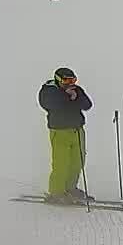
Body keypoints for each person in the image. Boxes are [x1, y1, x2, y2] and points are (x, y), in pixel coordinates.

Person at [37, 67, 94, 203]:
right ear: (58, 80)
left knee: (77, 162)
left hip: (77, 130)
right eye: (66, 80)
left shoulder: (76, 90)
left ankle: (70, 188)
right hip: (60, 131)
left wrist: (75, 97)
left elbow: (87, 105)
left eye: (72, 80)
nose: (70, 83)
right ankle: (56, 192)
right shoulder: (49, 91)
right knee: (61, 163)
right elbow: (49, 104)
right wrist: (66, 96)